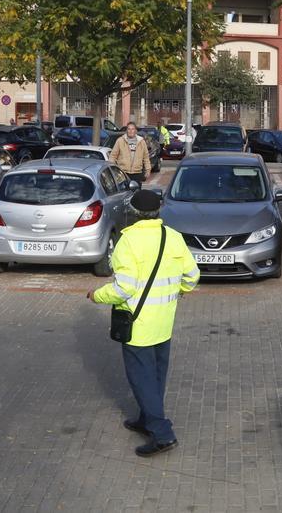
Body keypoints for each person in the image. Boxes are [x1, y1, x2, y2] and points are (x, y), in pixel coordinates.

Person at [87, 190, 199, 457]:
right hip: (164, 322)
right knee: (156, 376)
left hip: (137, 324)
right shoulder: (173, 237)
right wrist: (180, 290)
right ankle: (146, 418)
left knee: (141, 379)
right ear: (158, 211)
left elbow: (124, 288)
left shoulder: (129, 241)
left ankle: (162, 433)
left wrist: (97, 295)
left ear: (134, 213)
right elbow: (192, 275)